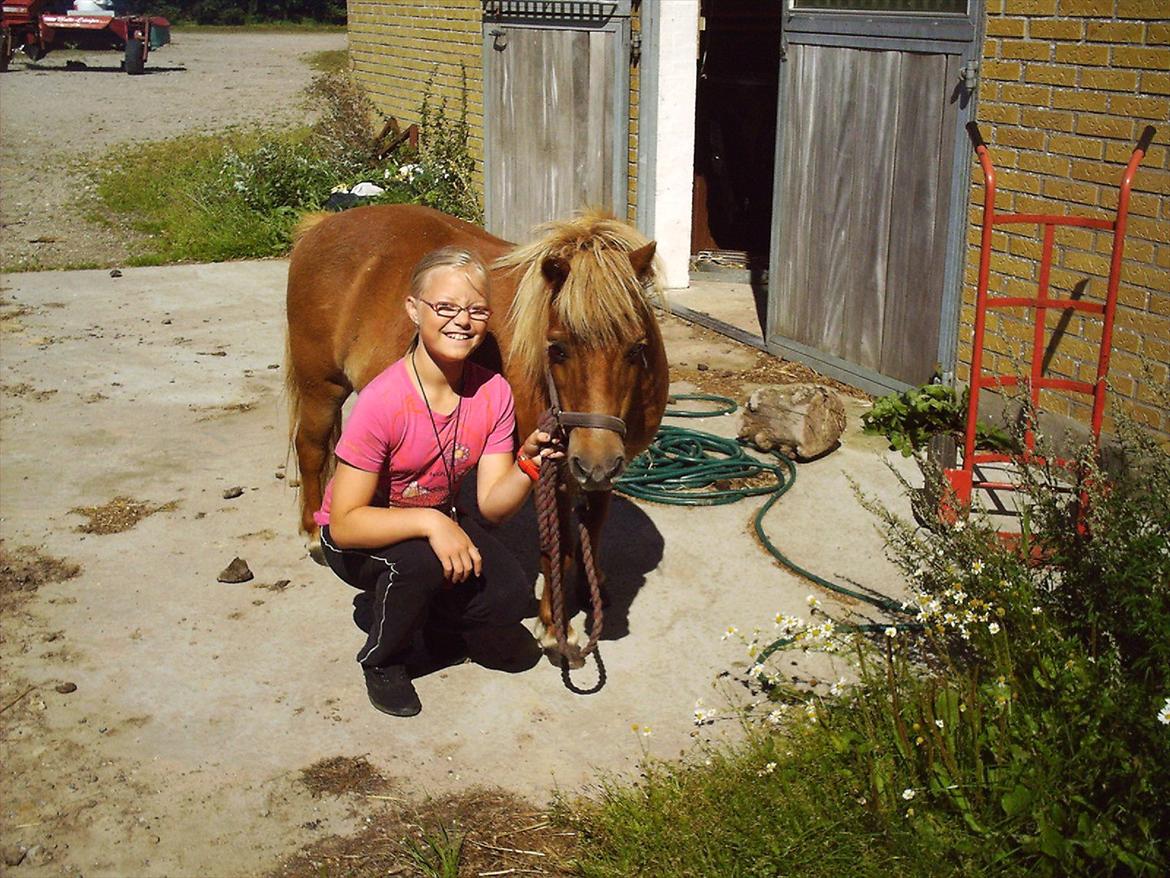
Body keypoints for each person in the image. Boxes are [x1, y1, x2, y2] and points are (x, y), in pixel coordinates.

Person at [314, 246, 562, 717]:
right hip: (358, 538)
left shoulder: (493, 393)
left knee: (510, 597)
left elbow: (491, 506)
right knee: (420, 567)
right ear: (414, 309)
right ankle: (384, 660)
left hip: (431, 526)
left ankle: (416, 618)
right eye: (445, 308)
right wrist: (431, 521)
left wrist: (528, 464)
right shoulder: (384, 401)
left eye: (476, 310)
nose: (461, 321)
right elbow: (344, 524)